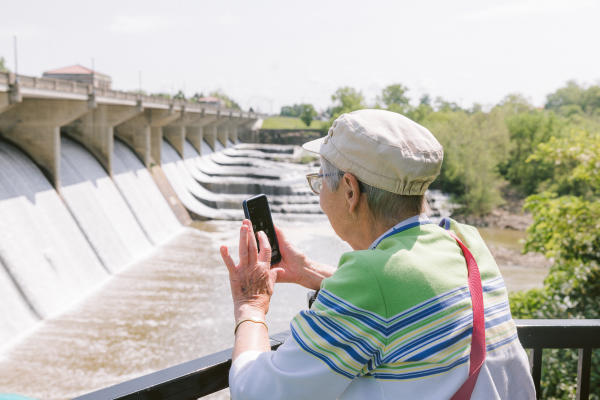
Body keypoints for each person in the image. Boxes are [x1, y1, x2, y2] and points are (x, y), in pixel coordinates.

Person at [220, 109, 535, 399]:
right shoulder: (464, 240)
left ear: (350, 191)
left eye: (320, 181)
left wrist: (251, 305)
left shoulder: (371, 278)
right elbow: (411, 293)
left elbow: (256, 392)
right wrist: (309, 271)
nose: (319, 198)